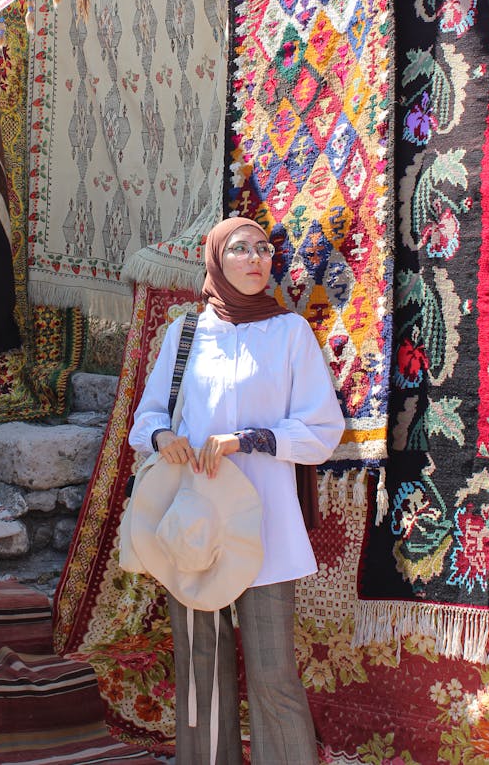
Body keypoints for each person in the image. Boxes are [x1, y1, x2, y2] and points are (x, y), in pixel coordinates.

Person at [128, 215, 345, 765]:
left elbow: (322, 431)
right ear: (215, 260)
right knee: (202, 669)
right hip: (196, 523)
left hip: (265, 526)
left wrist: (246, 440)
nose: (256, 259)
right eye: (241, 249)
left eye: (264, 250)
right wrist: (164, 436)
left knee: (273, 675)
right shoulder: (185, 335)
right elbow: (145, 418)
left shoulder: (290, 332)